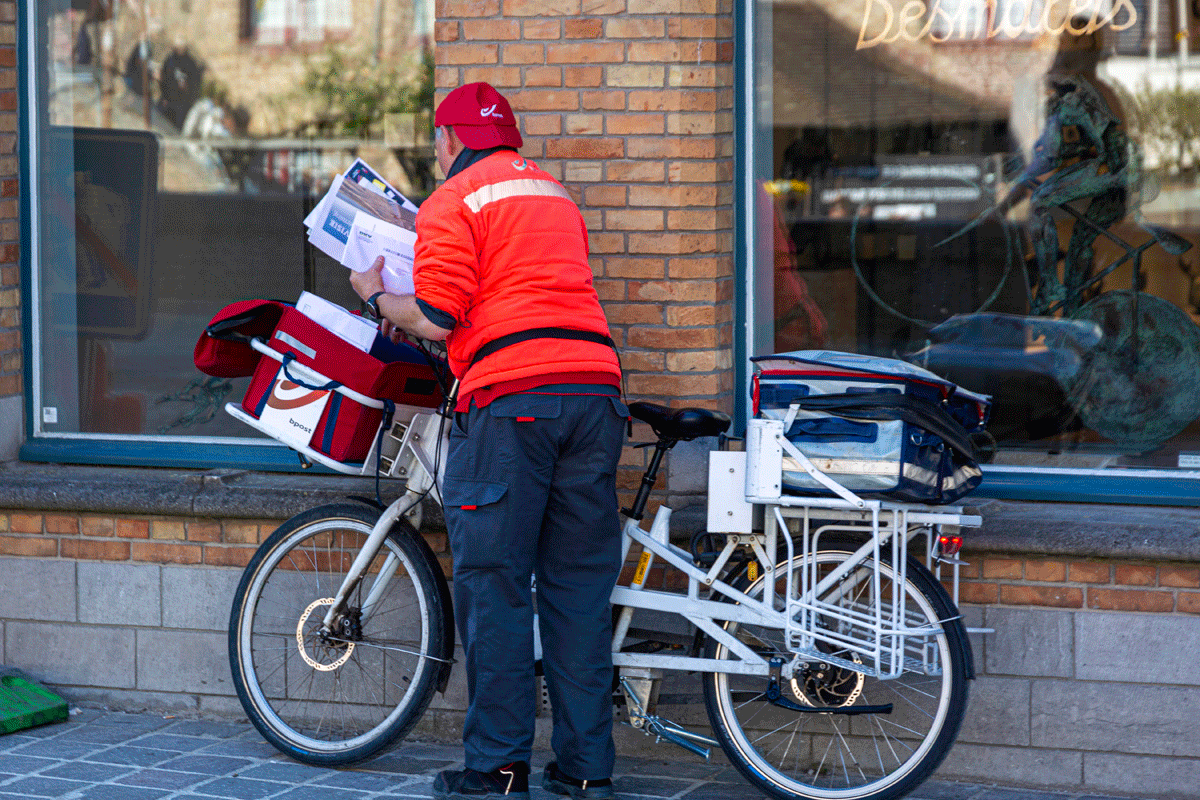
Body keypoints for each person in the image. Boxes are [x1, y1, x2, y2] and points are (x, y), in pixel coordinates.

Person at [349, 82, 626, 800]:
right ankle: (587, 772)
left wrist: (376, 296)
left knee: (497, 589)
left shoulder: (454, 198)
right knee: (577, 593)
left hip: (512, 405)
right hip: (596, 397)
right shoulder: (554, 195)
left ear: (448, 140)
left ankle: (498, 773)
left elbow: (439, 316)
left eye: (437, 141)